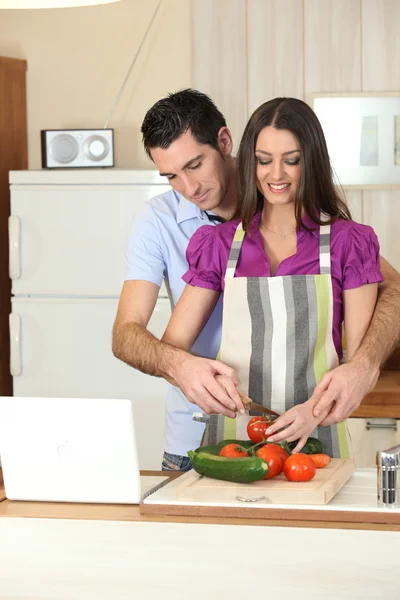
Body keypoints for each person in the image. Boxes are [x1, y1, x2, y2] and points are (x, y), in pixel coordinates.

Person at [112, 89, 400, 467]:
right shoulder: (189, 234)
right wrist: (180, 366)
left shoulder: (345, 241)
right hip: (210, 434)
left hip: (314, 442)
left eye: (195, 165)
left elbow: (390, 294)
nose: (188, 188)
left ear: (226, 143)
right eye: (171, 176)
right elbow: (130, 336)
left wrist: (360, 371)